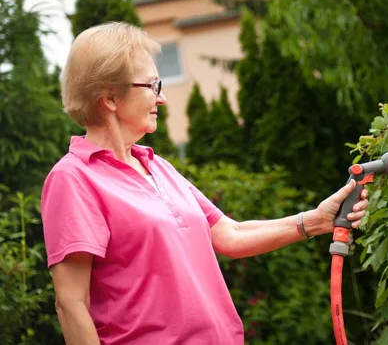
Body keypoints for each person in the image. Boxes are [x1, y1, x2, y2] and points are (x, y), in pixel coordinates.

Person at [40, 22, 369, 345]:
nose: (163, 98)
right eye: (153, 86)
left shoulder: (157, 166)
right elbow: (71, 304)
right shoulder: (74, 178)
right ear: (110, 98)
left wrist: (315, 220)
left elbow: (229, 234)